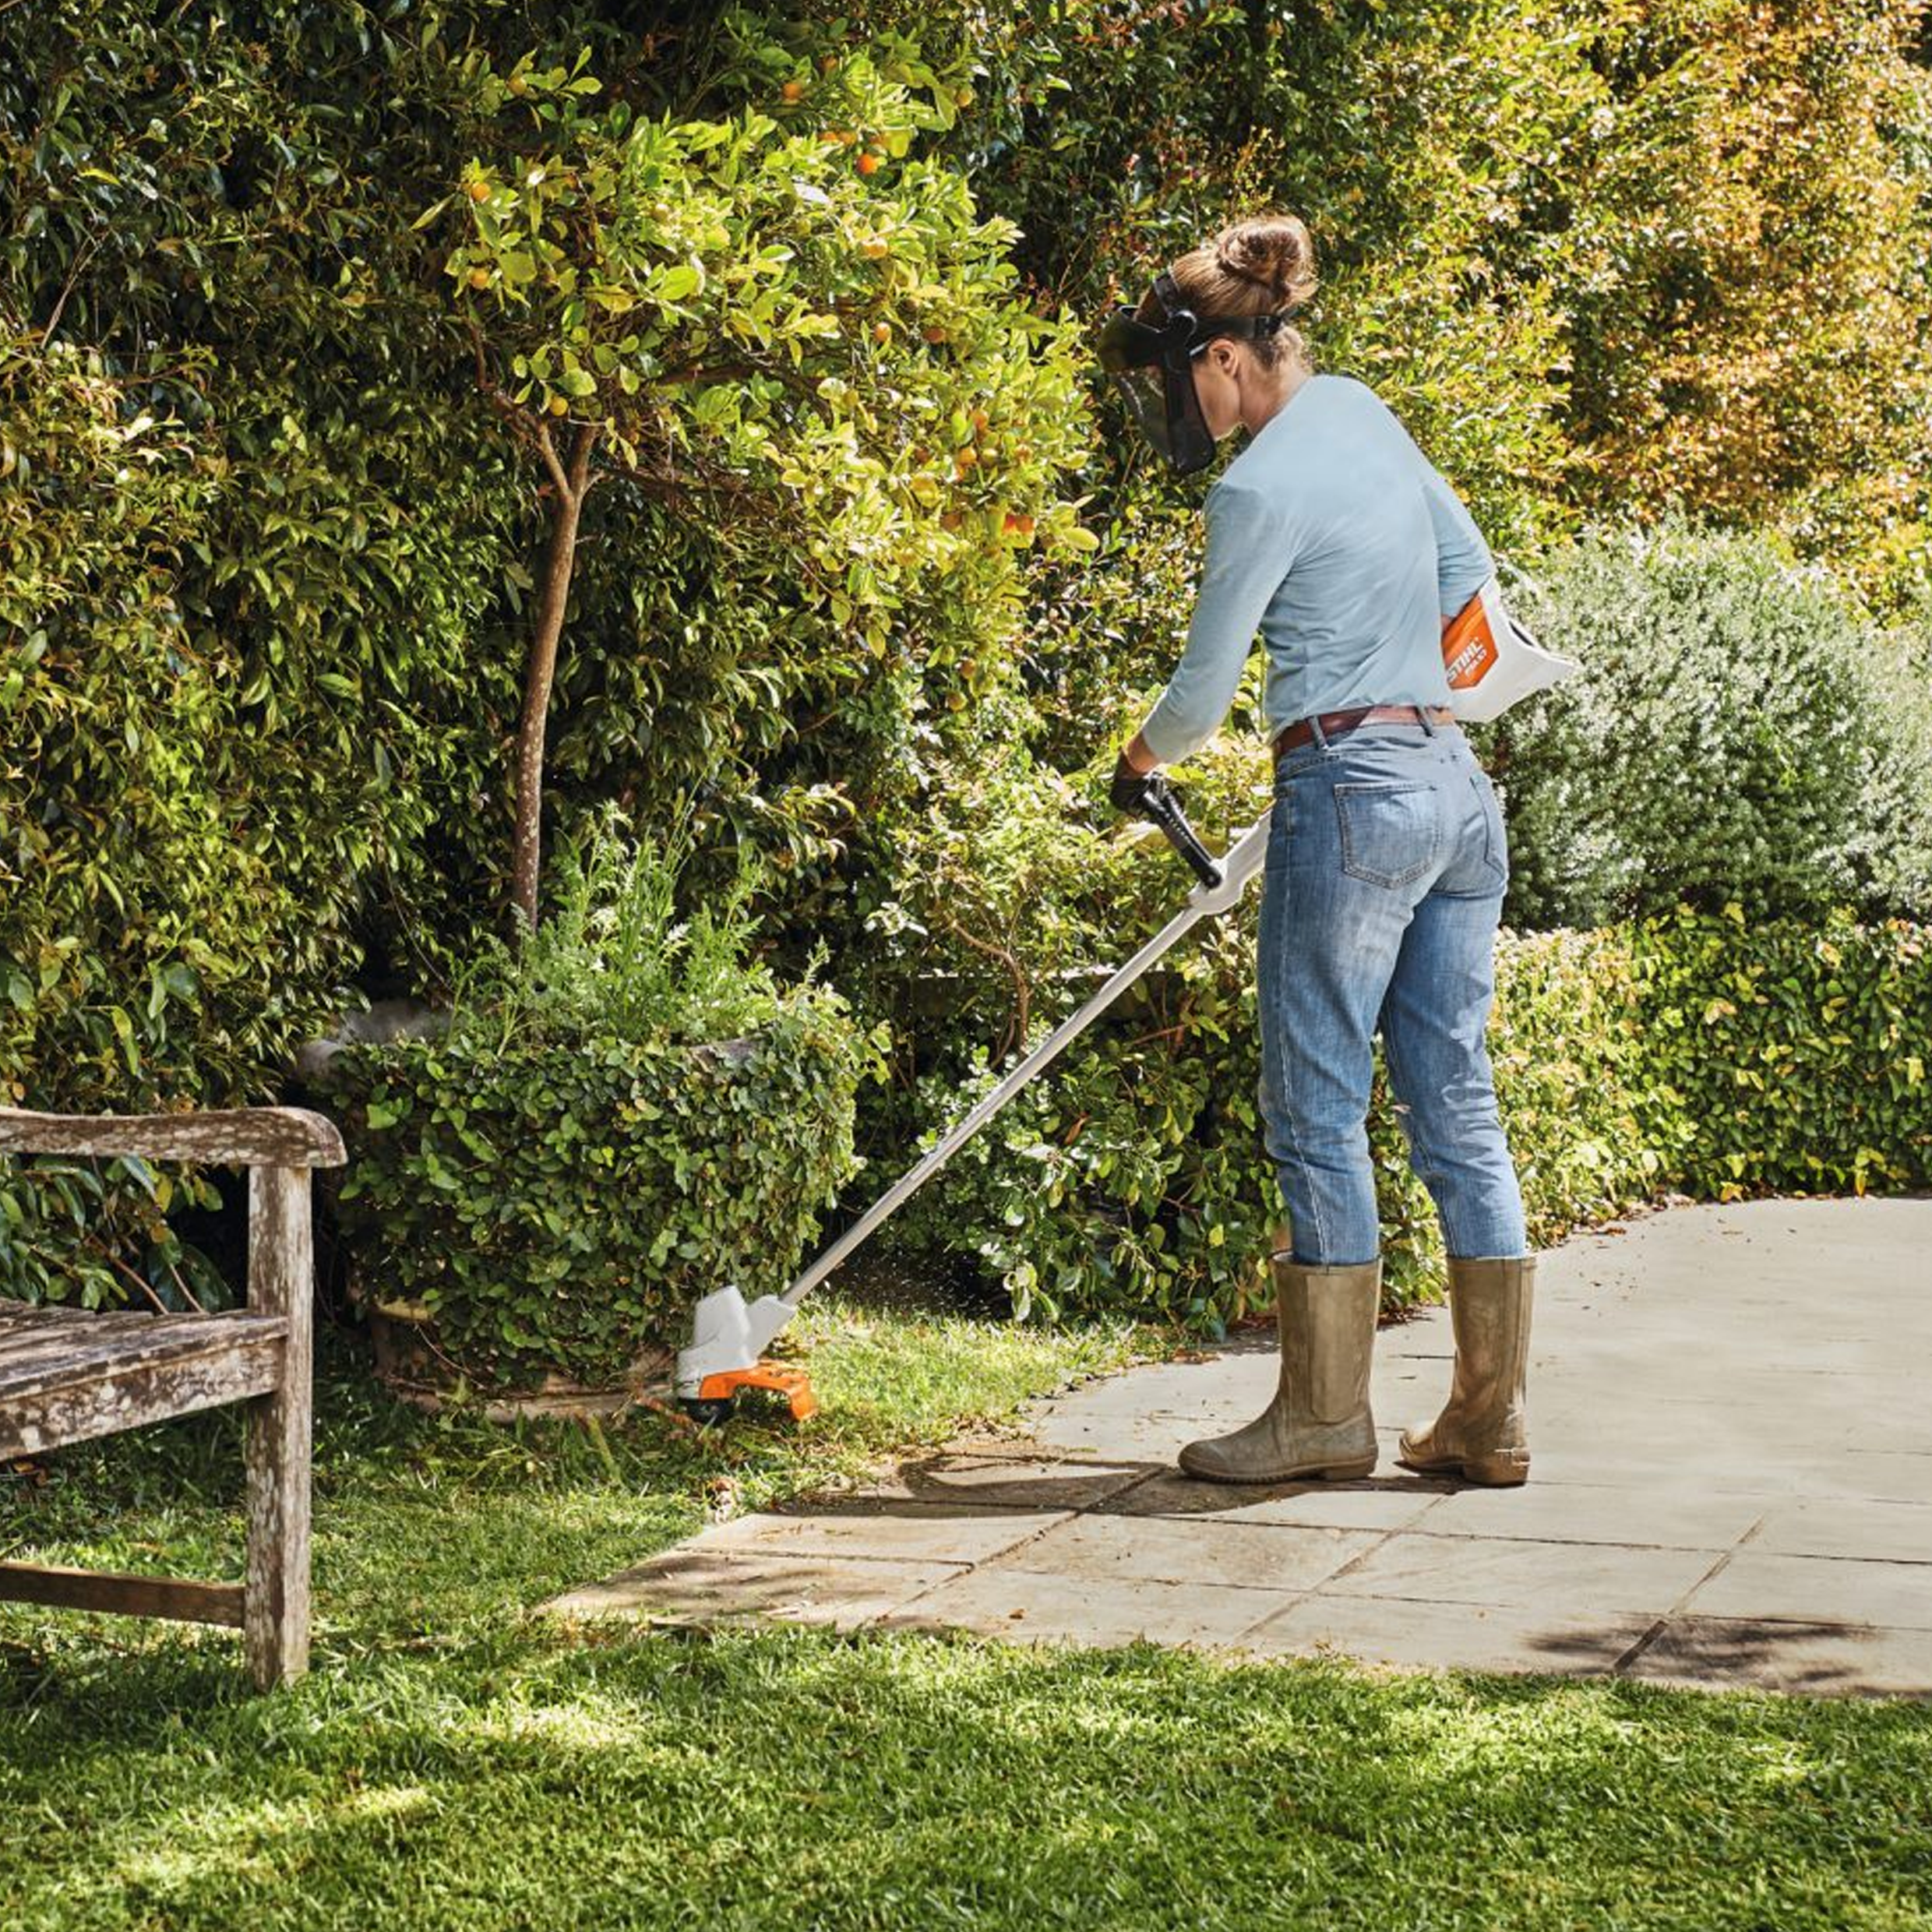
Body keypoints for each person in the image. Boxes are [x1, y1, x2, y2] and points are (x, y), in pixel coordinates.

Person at [1098, 214, 1535, 1488]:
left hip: (1350, 786)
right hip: (1455, 783)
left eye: (1181, 380)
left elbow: (1201, 688)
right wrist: (1405, 681)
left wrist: (1140, 765)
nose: (1183, 408)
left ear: (1225, 359)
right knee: (1455, 1095)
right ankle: (1487, 1421)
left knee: (1316, 1102)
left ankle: (1323, 1420)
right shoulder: (1361, 409)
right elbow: (1466, 567)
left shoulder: (1256, 486)